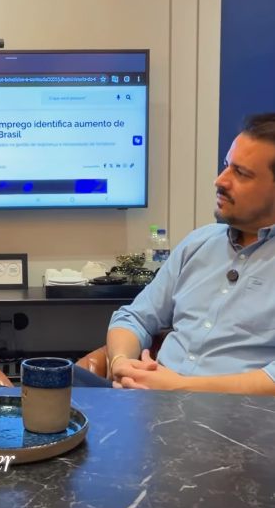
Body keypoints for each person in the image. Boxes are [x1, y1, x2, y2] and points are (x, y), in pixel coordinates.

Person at [74, 112, 275, 393]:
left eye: (240, 173)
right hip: (148, 399)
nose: (220, 180)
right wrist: (122, 363)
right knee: (53, 382)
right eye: (226, 165)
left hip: (231, 412)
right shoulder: (199, 243)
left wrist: (181, 386)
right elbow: (135, 318)